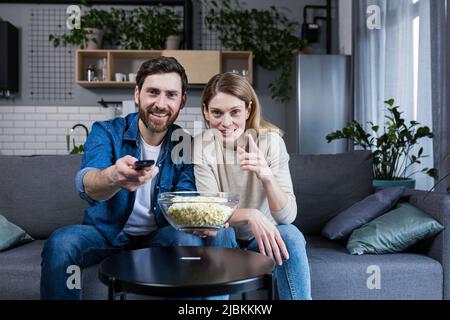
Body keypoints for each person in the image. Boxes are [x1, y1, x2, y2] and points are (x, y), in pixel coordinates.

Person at [40, 57, 217, 300]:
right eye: (153, 92)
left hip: (159, 235)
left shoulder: (184, 143)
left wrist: (197, 216)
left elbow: (185, 194)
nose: (161, 104)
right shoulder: (106, 131)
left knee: (186, 241)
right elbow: (88, 183)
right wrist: (114, 177)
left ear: (182, 101)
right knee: (61, 243)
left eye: (171, 95)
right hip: (106, 233)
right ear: (137, 94)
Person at [193, 72, 312, 300]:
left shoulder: (271, 142)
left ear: (248, 110)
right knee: (221, 232)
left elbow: (288, 217)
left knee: (292, 235)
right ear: (206, 112)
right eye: (217, 113)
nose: (225, 122)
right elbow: (211, 214)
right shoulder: (201, 146)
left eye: (235, 112)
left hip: (262, 240)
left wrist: (266, 176)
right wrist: (251, 215)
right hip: (225, 238)